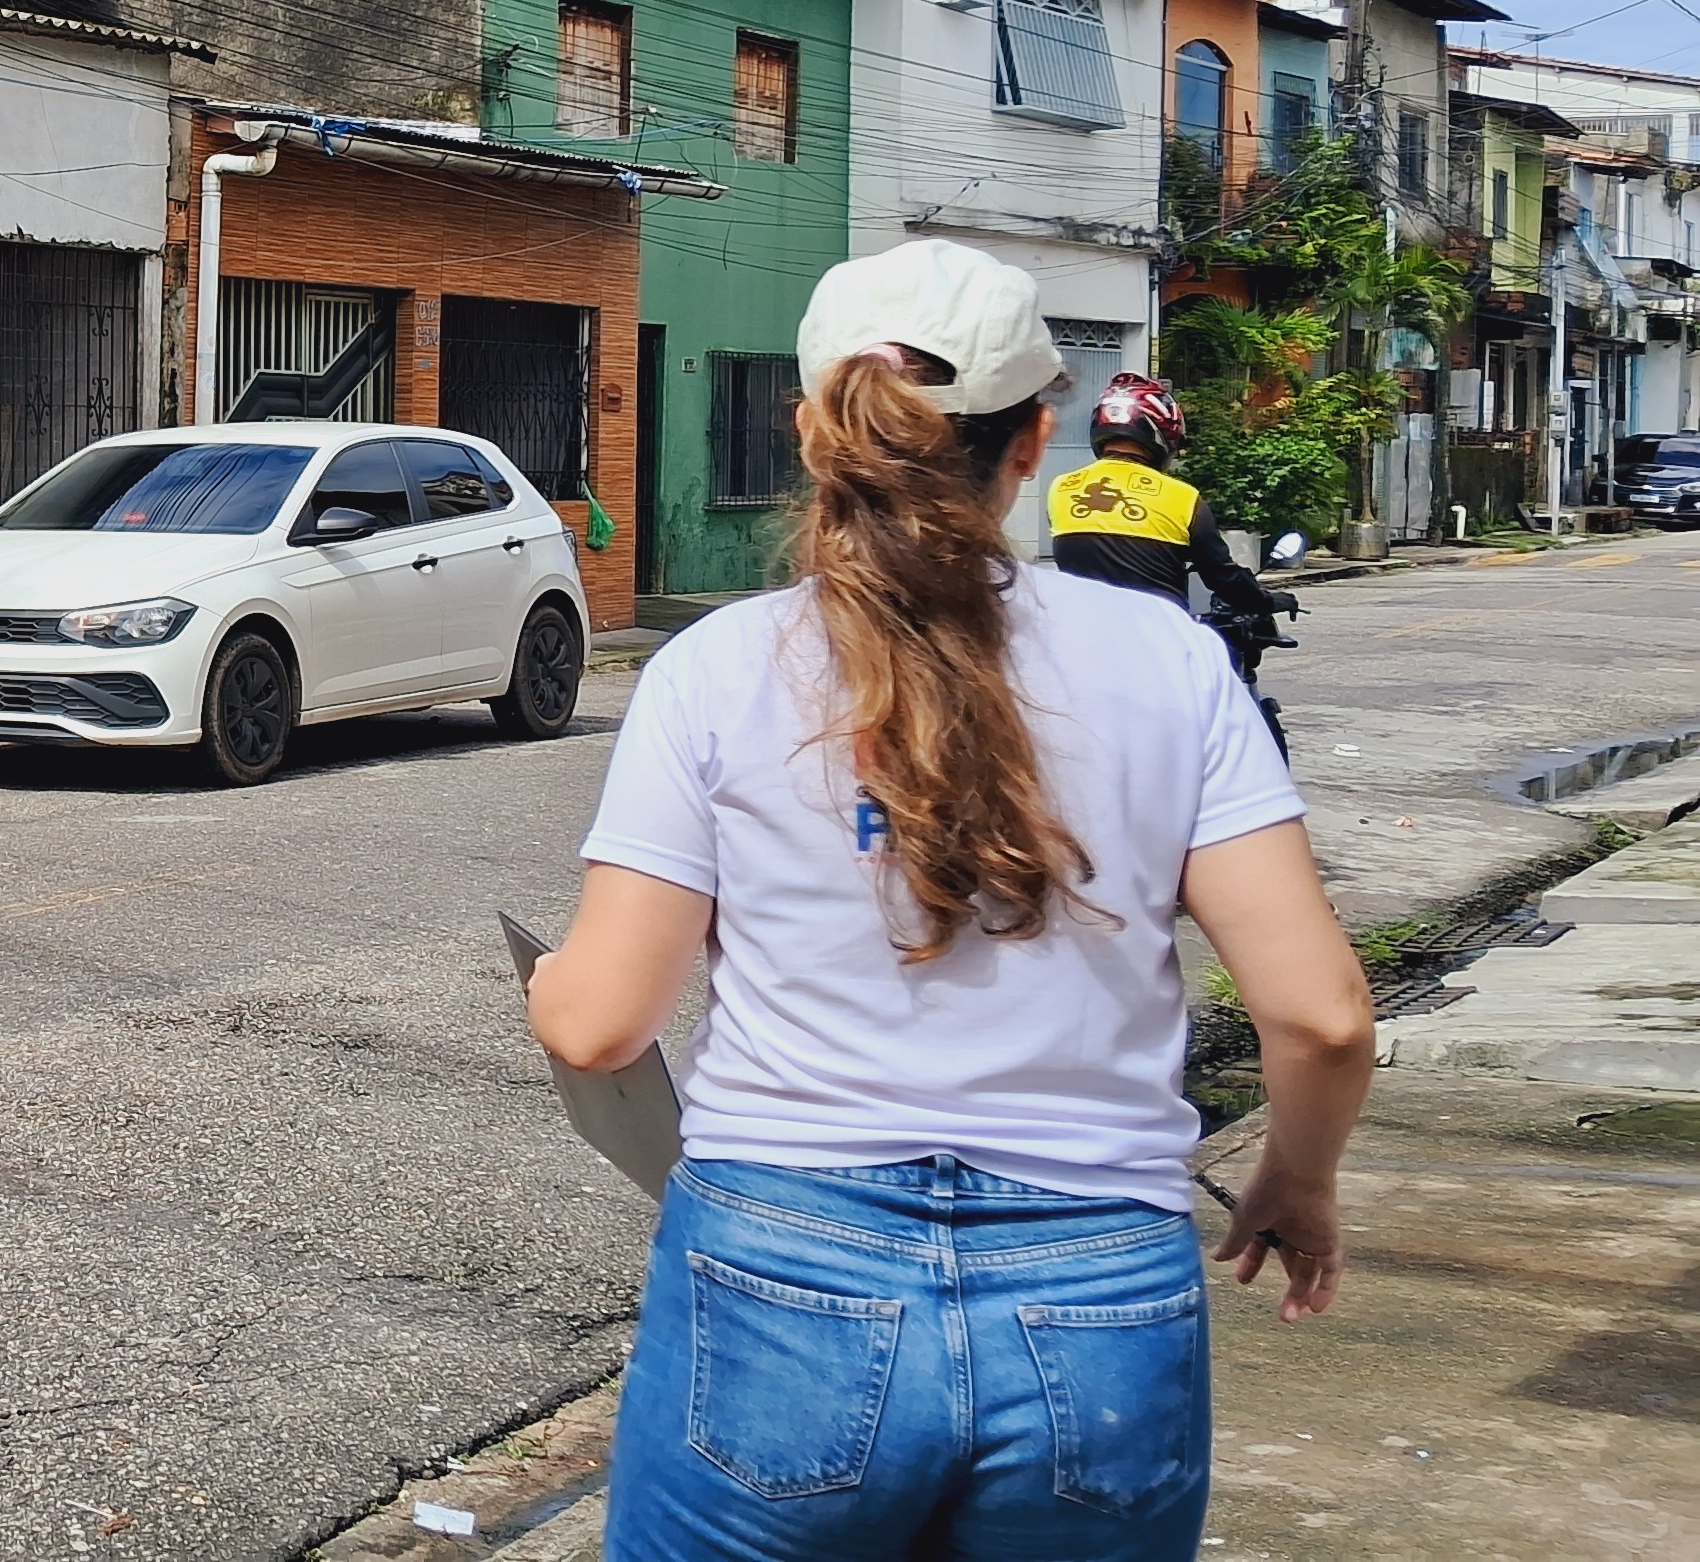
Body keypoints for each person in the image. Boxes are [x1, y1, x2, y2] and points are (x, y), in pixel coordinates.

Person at [527, 239, 1376, 1560]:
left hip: (783, 1279)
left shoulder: (717, 671)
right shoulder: (1174, 663)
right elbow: (1322, 1018)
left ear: (813, 432)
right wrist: (1297, 1178)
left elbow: (598, 1026)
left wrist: (552, 982)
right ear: (1033, 441)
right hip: (1100, 1294)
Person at [1046, 371, 1280, 620]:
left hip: (1078, 631)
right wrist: (1268, 601)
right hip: (1160, 638)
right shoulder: (1183, 498)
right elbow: (1222, 575)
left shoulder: (1061, 488)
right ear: (1164, 433)